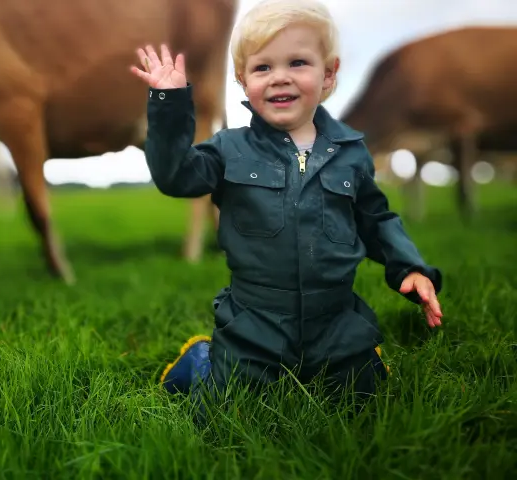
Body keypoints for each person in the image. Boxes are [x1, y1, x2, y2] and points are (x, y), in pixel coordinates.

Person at [129, 0, 444, 419]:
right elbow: (175, 177)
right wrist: (169, 106)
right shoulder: (228, 149)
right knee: (221, 411)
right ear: (242, 80)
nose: (280, 77)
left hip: (335, 320)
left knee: (366, 402)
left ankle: (355, 358)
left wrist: (410, 269)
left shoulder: (351, 153)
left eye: (297, 62)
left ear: (328, 73)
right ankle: (202, 360)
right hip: (254, 323)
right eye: (262, 68)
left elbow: (377, 220)